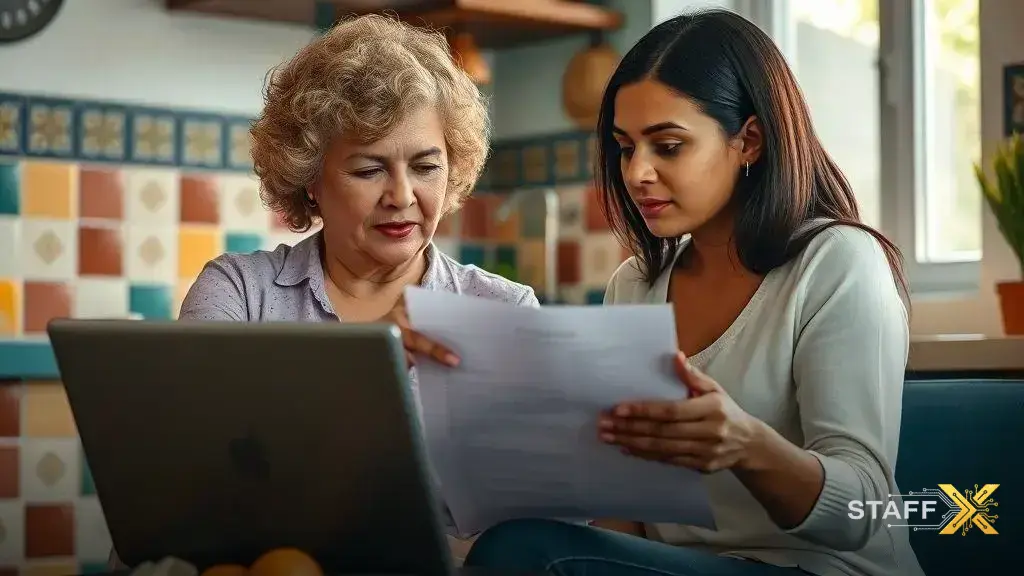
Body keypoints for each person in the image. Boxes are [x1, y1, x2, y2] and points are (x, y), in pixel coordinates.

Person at [463, 9, 924, 576]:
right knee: (519, 543)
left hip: (821, 568)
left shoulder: (838, 264)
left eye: (669, 146)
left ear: (749, 140)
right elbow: (624, 518)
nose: (636, 173)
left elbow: (862, 510)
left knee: (523, 553)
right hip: (680, 567)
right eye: (625, 147)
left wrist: (746, 445)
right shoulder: (633, 285)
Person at [108, 13, 534, 568]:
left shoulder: (502, 310)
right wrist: (371, 369)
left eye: (426, 166)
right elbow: (194, 470)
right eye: (367, 170)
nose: (401, 195)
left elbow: (528, 520)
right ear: (309, 176)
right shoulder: (240, 291)